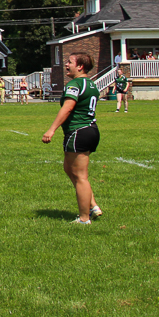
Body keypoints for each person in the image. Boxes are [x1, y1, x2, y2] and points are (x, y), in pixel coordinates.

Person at [41, 52, 102, 225]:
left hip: (79, 131)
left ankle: (84, 218)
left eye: (70, 62)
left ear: (80, 66)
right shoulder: (91, 84)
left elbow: (68, 108)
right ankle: (92, 205)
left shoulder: (75, 84)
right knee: (69, 169)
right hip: (89, 130)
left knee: (80, 176)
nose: (66, 64)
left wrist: (51, 130)